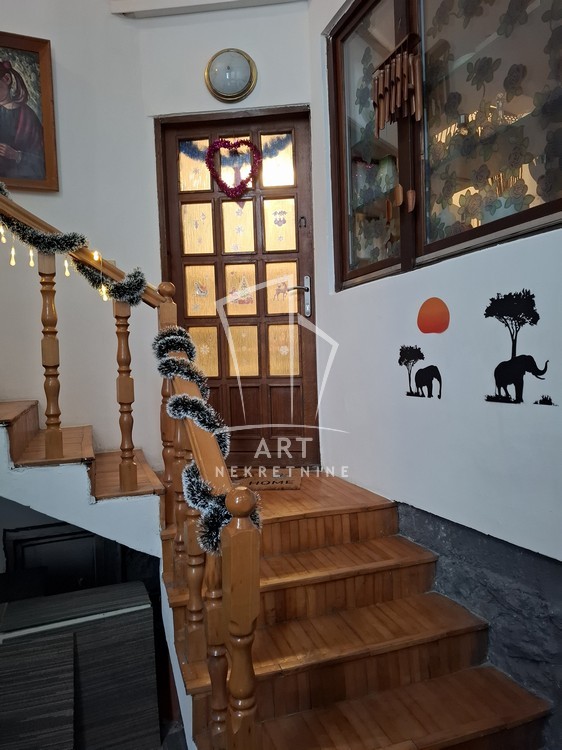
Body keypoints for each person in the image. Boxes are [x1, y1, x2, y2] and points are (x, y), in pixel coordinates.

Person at [0, 59, 45, 180]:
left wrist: (16, 155)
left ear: (6, 79)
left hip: (17, 181)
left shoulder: (27, 116)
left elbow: (42, 161)